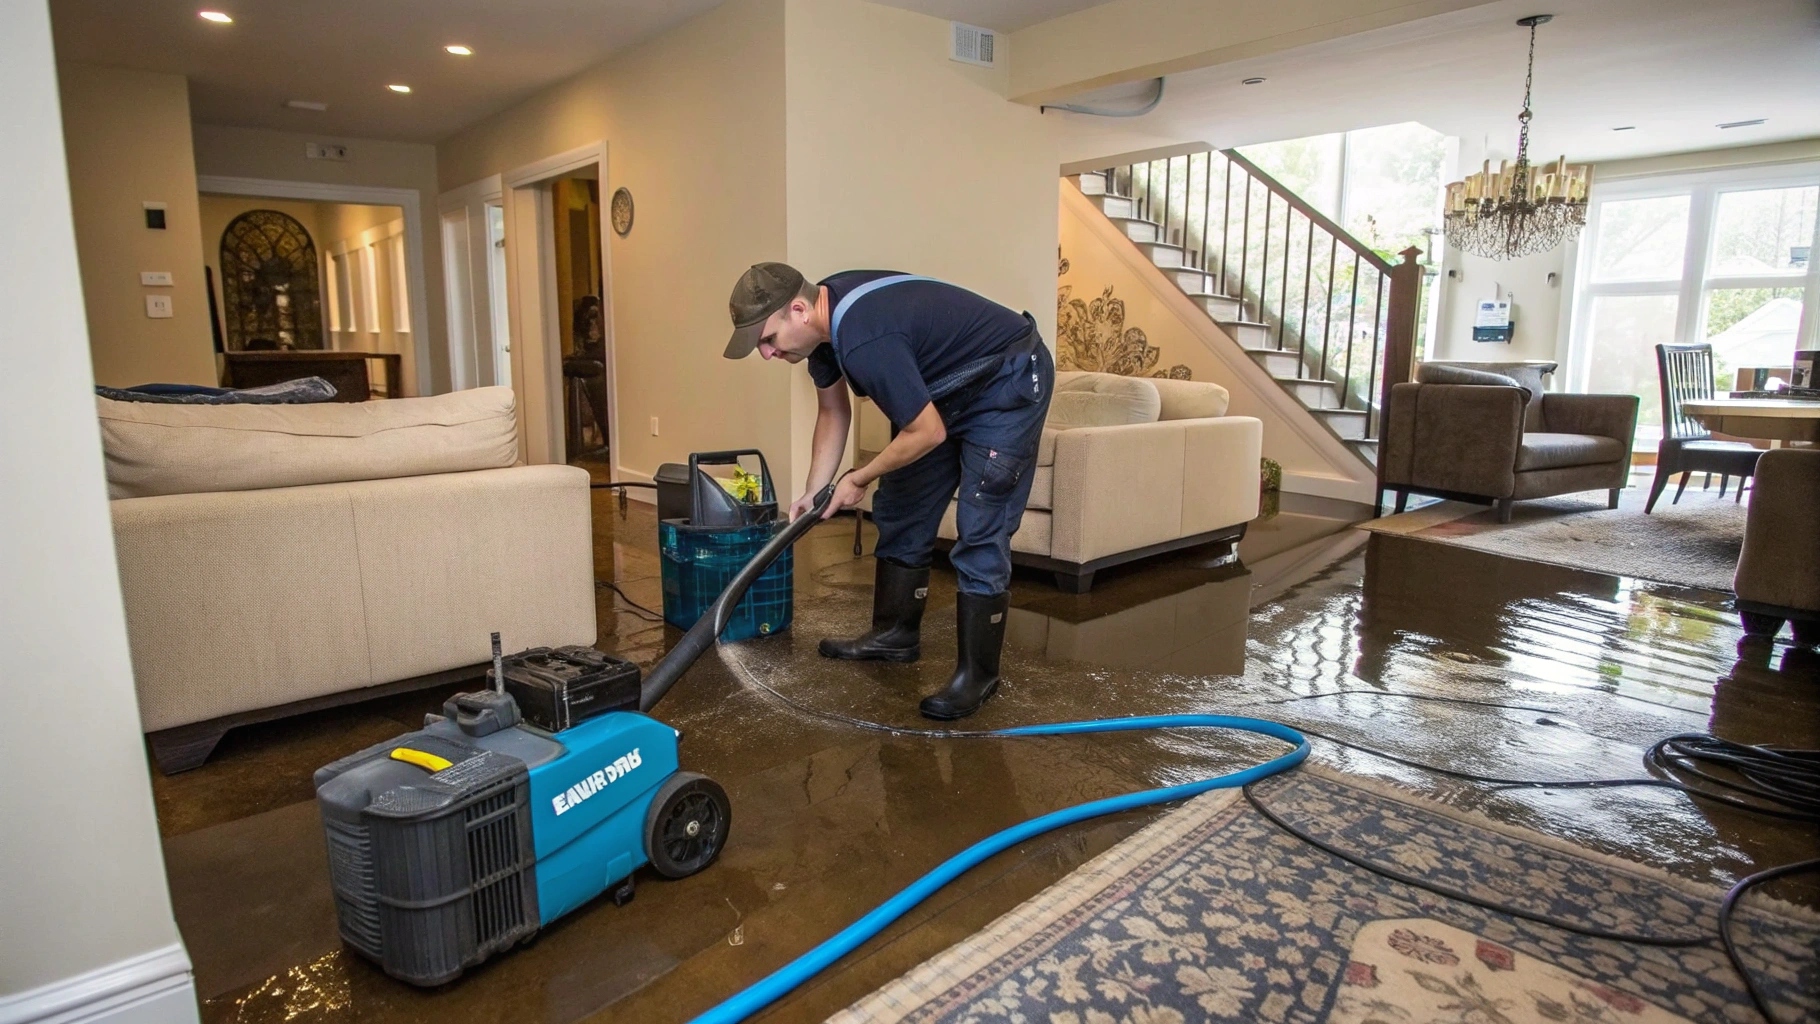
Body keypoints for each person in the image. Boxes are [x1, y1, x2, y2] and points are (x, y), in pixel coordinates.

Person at [724, 263, 1052, 719]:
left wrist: (857, 478)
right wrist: (814, 492)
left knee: (981, 522)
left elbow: (926, 432)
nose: (767, 353)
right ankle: (894, 635)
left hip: (1006, 381)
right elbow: (834, 414)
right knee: (901, 505)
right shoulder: (825, 333)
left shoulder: (863, 339)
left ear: (798, 310)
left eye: (768, 339)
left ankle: (978, 675)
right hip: (946, 391)